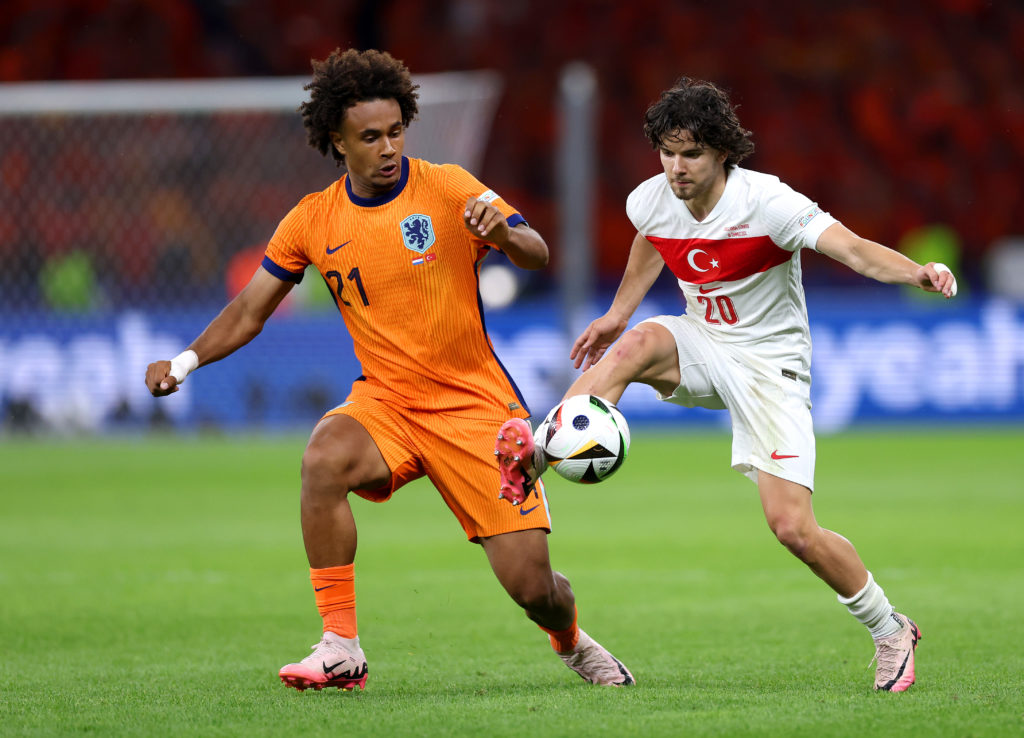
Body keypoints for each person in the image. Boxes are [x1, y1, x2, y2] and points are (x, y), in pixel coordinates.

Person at [146, 48, 632, 690]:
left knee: (533, 587)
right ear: (336, 142)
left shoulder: (451, 187)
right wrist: (185, 361)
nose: (387, 147)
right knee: (323, 459)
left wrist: (507, 234)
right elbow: (249, 309)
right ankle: (340, 645)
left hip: (476, 412)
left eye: (396, 131)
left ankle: (570, 638)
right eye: (370, 137)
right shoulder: (313, 220)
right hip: (388, 406)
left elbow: (537, 253)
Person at [496, 77, 958, 693]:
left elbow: (850, 249)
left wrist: (917, 273)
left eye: (690, 154)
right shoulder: (653, 197)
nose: (676, 167)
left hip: (771, 365)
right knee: (633, 346)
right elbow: (650, 240)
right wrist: (617, 313)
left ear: (721, 153)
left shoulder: (768, 203)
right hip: (704, 343)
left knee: (792, 527)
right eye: (666, 152)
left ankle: (890, 627)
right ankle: (538, 453)